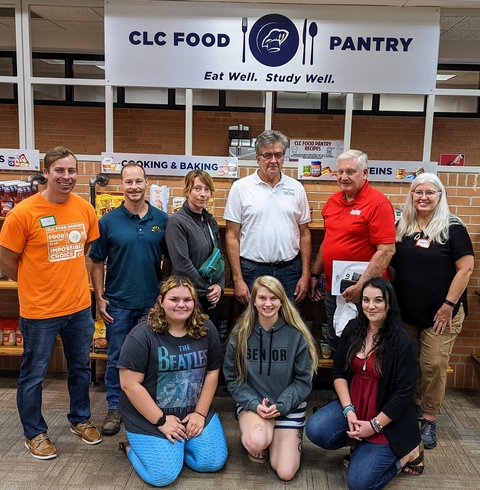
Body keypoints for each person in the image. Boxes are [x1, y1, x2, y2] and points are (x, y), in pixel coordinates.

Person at [0, 146, 102, 460]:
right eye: (60, 170)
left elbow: (84, 247)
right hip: (39, 311)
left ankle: (80, 419)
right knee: (33, 374)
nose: (67, 177)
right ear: (46, 172)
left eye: (72, 171)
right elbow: (7, 261)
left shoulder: (84, 209)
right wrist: (37, 280)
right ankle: (35, 433)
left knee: (80, 369)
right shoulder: (23, 213)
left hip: (78, 307)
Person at [306, 278, 424, 490]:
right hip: (355, 405)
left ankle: (408, 453)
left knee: (359, 484)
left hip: (386, 419)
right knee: (316, 429)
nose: (371, 306)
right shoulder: (353, 329)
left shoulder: (402, 342)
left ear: (389, 304)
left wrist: (374, 426)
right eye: (366, 300)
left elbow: (404, 394)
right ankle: (359, 445)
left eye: (378, 300)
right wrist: (349, 411)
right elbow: (339, 372)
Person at [117, 276, 228, 487]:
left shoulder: (206, 329)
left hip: (191, 411)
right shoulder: (141, 335)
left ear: (194, 302)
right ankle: (131, 449)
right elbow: (129, 384)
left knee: (212, 462)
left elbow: (213, 372)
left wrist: (200, 413)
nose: (181, 305)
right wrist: (161, 421)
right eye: (174, 299)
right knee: (163, 476)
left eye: (187, 300)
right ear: (161, 301)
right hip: (151, 416)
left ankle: (177, 446)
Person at [390, 173, 474, 449]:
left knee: (434, 364)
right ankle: (415, 405)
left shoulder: (453, 227)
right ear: (411, 195)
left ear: (440, 195)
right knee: (411, 362)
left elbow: (466, 268)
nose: (423, 197)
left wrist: (448, 305)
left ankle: (429, 417)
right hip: (407, 312)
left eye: (430, 192)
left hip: (443, 312)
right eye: (418, 192)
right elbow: (393, 264)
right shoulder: (402, 226)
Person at [89, 162, 169, 436]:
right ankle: (115, 408)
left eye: (138, 181)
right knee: (117, 357)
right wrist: (99, 296)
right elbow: (96, 261)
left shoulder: (161, 220)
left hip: (151, 304)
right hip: (118, 304)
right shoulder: (108, 222)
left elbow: (170, 261)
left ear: (147, 183)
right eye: (128, 182)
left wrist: (166, 297)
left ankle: (146, 407)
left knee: (152, 358)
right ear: (121, 185)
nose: (134, 187)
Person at [223, 275, 318, 481]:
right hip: (255, 405)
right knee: (257, 441)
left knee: (285, 472)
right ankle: (262, 436)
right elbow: (232, 377)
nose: (268, 303)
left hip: (287, 405)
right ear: (254, 301)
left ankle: (279, 435)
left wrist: (282, 405)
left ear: (282, 301)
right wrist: (254, 404)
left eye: (273, 298)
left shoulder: (296, 334)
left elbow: (303, 380)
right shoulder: (240, 333)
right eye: (262, 298)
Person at [309, 149, 395, 353]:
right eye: (340, 172)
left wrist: (361, 287)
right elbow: (328, 242)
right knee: (337, 342)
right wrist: (315, 273)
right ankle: (341, 385)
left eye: (350, 171)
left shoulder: (378, 204)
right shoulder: (332, 202)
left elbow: (386, 250)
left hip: (367, 293)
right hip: (334, 289)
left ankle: (362, 386)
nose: (344, 177)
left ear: (365, 174)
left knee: (367, 347)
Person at [224, 129, 311, 305]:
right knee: (253, 325)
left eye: (278, 155)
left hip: (290, 271)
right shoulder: (240, 188)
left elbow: (305, 234)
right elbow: (231, 236)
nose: (273, 161)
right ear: (258, 158)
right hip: (252, 271)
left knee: (289, 325)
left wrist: (305, 275)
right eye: (267, 155)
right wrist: (237, 279)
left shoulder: (296, 188)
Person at [165, 170, 224, 324]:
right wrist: (207, 290)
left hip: (210, 298)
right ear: (187, 191)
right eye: (197, 188)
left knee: (206, 340)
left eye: (207, 189)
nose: (202, 194)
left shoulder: (211, 222)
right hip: (185, 297)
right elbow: (181, 263)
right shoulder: (177, 222)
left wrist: (219, 286)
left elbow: (219, 258)